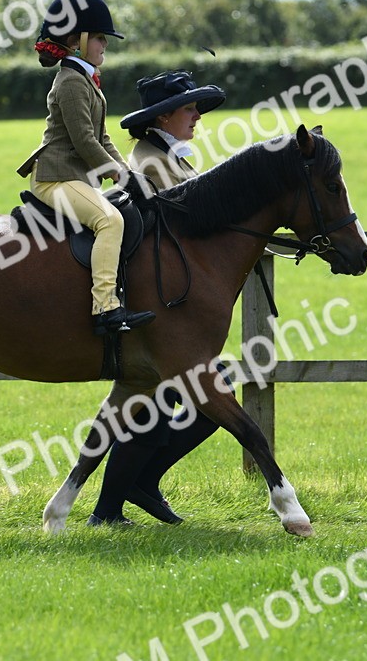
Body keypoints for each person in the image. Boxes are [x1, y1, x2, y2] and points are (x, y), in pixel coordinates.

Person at [86, 70, 227, 526]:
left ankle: (128, 495)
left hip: (167, 307)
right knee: (161, 407)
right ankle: (115, 504)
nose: (198, 118)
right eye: (190, 109)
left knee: (181, 400)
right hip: (158, 311)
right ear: (163, 117)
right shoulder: (151, 163)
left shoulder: (170, 157)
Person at [16, 0, 156, 336]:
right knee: (109, 221)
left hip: (74, 177)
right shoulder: (70, 82)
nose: (104, 44)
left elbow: (104, 138)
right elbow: (84, 141)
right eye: (97, 37)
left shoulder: (86, 80)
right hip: (55, 179)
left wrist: (130, 174)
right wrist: (118, 173)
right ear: (74, 41)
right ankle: (105, 306)